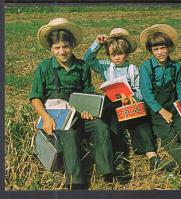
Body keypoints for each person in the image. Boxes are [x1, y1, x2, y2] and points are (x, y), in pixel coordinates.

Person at [30, 18, 114, 190]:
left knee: (100, 126)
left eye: (65, 46)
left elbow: (87, 92)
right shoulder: (44, 67)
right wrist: (45, 118)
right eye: (57, 48)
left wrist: (88, 110)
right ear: (51, 49)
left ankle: (107, 172)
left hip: (78, 113)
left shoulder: (82, 66)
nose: (62, 51)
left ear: (72, 45)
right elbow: (35, 98)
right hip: (57, 116)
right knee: (69, 136)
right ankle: (76, 182)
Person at [83, 28, 163, 171]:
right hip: (113, 104)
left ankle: (152, 156)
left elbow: (140, 89)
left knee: (141, 123)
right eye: (113, 55)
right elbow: (87, 59)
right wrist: (97, 43)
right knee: (113, 125)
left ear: (126, 53)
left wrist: (133, 97)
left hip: (131, 102)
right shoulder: (106, 66)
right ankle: (119, 156)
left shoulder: (133, 68)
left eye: (120, 54)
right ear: (109, 55)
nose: (117, 58)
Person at [139, 24, 181, 176]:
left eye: (163, 48)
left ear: (169, 47)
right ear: (151, 50)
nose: (160, 52)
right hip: (157, 110)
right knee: (168, 137)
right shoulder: (146, 67)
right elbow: (147, 94)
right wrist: (161, 111)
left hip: (174, 106)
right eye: (156, 49)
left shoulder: (175, 66)